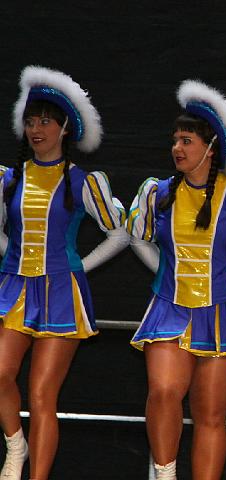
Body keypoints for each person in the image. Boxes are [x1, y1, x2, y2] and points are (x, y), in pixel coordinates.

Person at [126, 80, 226, 480]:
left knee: (210, 413)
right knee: (163, 391)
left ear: (211, 148)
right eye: (175, 141)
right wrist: (166, 271)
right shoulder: (157, 193)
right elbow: (137, 237)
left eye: (186, 141)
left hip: (223, 312)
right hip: (169, 307)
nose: (177, 148)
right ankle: (164, 474)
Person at [0, 66, 129, 480]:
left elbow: (120, 233)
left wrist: (77, 267)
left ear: (65, 128)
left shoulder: (82, 182)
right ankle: (15, 446)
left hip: (61, 294)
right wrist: (13, 257)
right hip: (13, 287)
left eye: (45, 122)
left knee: (41, 394)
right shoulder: (9, 179)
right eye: (30, 122)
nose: (36, 130)